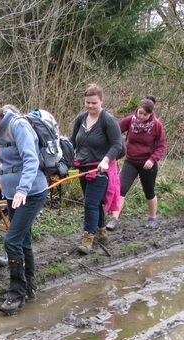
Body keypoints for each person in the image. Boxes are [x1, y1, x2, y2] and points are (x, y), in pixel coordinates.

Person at [0, 97, 48, 314]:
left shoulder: (18, 126)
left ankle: (16, 293)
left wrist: (23, 189)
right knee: (23, 241)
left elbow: (31, 160)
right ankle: (30, 287)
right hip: (13, 194)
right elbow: (8, 161)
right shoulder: (0, 130)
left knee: (12, 241)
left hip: (31, 193)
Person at [69, 84, 122, 254]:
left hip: (101, 170)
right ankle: (101, 232)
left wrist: (106, 160)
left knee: (90, 203)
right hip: (83, 167)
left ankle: (87, 239)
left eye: (94, 103)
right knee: (95, 202)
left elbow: (117, 145)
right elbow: (73, 141)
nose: (90, 106)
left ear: (101, 101)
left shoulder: (108, 120)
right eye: (87, 103)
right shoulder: (81, 119)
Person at [111, 98, 166, 228]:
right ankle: (114, 218)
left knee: (149, 191)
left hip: (147, 164)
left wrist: (152, 160)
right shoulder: (130, 120)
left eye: (145, 115)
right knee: (121, 189)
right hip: (130, 161)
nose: (141, 116)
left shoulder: (156, 125)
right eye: (140, 112)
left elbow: (161, 146)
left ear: (150, 114)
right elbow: (115, 129)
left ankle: (152, 217)